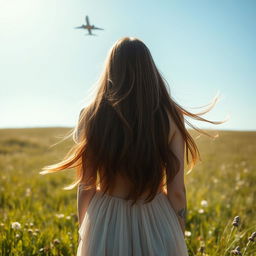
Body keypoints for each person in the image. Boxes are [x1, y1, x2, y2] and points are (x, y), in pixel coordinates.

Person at [40, 37, 227, 256]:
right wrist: (177, 229)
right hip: (157, 216)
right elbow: (177, 190)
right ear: (149, 69)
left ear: (111, 69)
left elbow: (86, 184)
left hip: (105, 219)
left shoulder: (90, 114)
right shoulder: (171, 115)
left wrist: (84, 229)